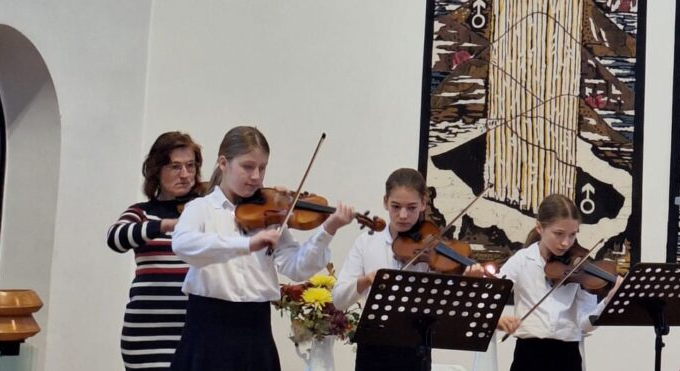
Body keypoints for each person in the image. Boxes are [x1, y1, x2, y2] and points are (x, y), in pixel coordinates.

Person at [168, 126, 356, 371]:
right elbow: (182, 245)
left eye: (262, 167)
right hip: (208, 331)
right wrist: (246, 244)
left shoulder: (269, 215)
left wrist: (327, 230)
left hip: (255, 331)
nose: (256, 176)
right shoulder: (200, 208)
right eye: (248, 167)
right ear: (223, 163)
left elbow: (297, 268)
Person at [333, 167, 485, 371]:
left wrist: (468, 280)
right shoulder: (366, 243)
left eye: (412, 207)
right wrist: (367, 280)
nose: (403, 215)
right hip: (373, 347)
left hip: (417, 347)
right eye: (396, 206)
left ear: (423, 203)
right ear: (385, 201)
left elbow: (455, 301)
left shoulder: (433, 248)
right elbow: (338, 299)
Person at [106, 131, 204, 370]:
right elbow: (115, 238)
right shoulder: (142, 212)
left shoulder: (203, 211)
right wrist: (164, 225)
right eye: (175, 167)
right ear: (156, 170)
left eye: (190, 166)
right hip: (145, 333)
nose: (185, 175)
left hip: (193, 333)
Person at [495, 194, 622, 371]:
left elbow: (585, 325)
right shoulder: (522, 260)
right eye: (559, 234)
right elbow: (489, 298)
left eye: (572, 235)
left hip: (567, 357)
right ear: (539, 228)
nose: (565, 243)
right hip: (528, 356)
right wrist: (497, 319)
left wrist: (608, 301)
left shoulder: (580, 267)